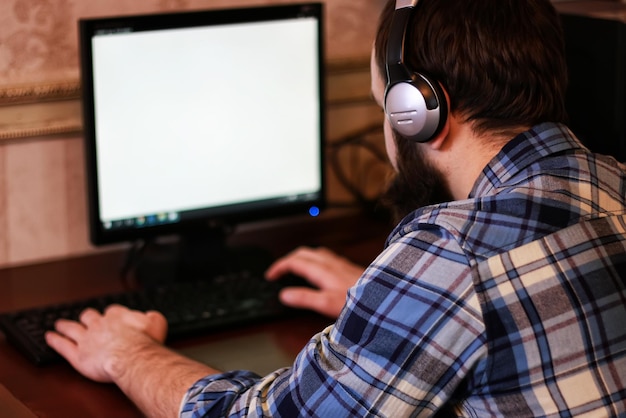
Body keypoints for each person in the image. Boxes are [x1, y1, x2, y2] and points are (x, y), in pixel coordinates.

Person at [46, 0, 626, 416]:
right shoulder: (611, 181)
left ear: (418, 111)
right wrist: (382, 301)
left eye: (383, 105)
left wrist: (126, 353)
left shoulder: (450, 256)